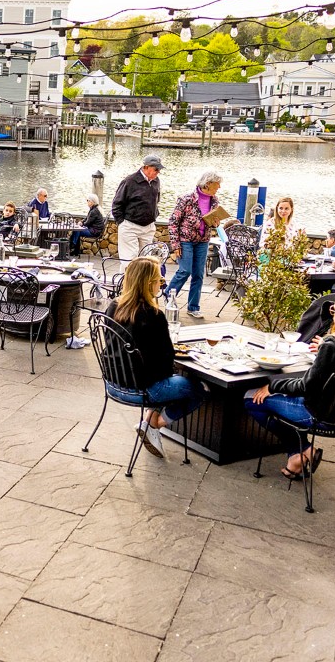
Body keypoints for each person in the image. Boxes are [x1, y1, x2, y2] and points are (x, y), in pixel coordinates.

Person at [243, 289, 335, 479]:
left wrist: (272, 387)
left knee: (251, 398)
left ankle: (301, 451)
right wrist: (324, 348)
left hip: (320, 414)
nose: (333, 314)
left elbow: (306, 387)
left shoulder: (334, 346)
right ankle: (300, 454)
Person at [104, 257, 203, 459]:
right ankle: (156, 424)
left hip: (112, 383)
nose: (163, 282)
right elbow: (166, 362)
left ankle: (149, 420)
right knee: (197, 389)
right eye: (160, 278)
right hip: (140, 389)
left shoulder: (113, 307)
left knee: (163, 379)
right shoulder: (154, 315)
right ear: (149, 284)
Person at [165, 172, 223, 319]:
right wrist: (175, 244)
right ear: (208, 184)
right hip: (186, 240)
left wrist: (216, 223)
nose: (219, 187)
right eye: (217, 184)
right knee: (185, 271)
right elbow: (173, 222)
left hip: (203, 241)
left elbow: (212, 222)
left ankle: (193, 307)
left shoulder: (214, 201)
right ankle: (168, 296)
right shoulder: (186, 199)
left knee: (198, 274)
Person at [112, 154, 163, 259]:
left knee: (146, 259)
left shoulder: (156, 181)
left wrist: (154, 216)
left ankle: (139, 276)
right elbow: (117, 204)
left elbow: (156, 201)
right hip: (130, 225)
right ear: (146, 167)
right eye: (156, 169)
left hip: (148, 226)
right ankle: (126, 276)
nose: (158, 172)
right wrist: (122, 223)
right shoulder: (129, 181)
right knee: (129, 259)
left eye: (159, 169)